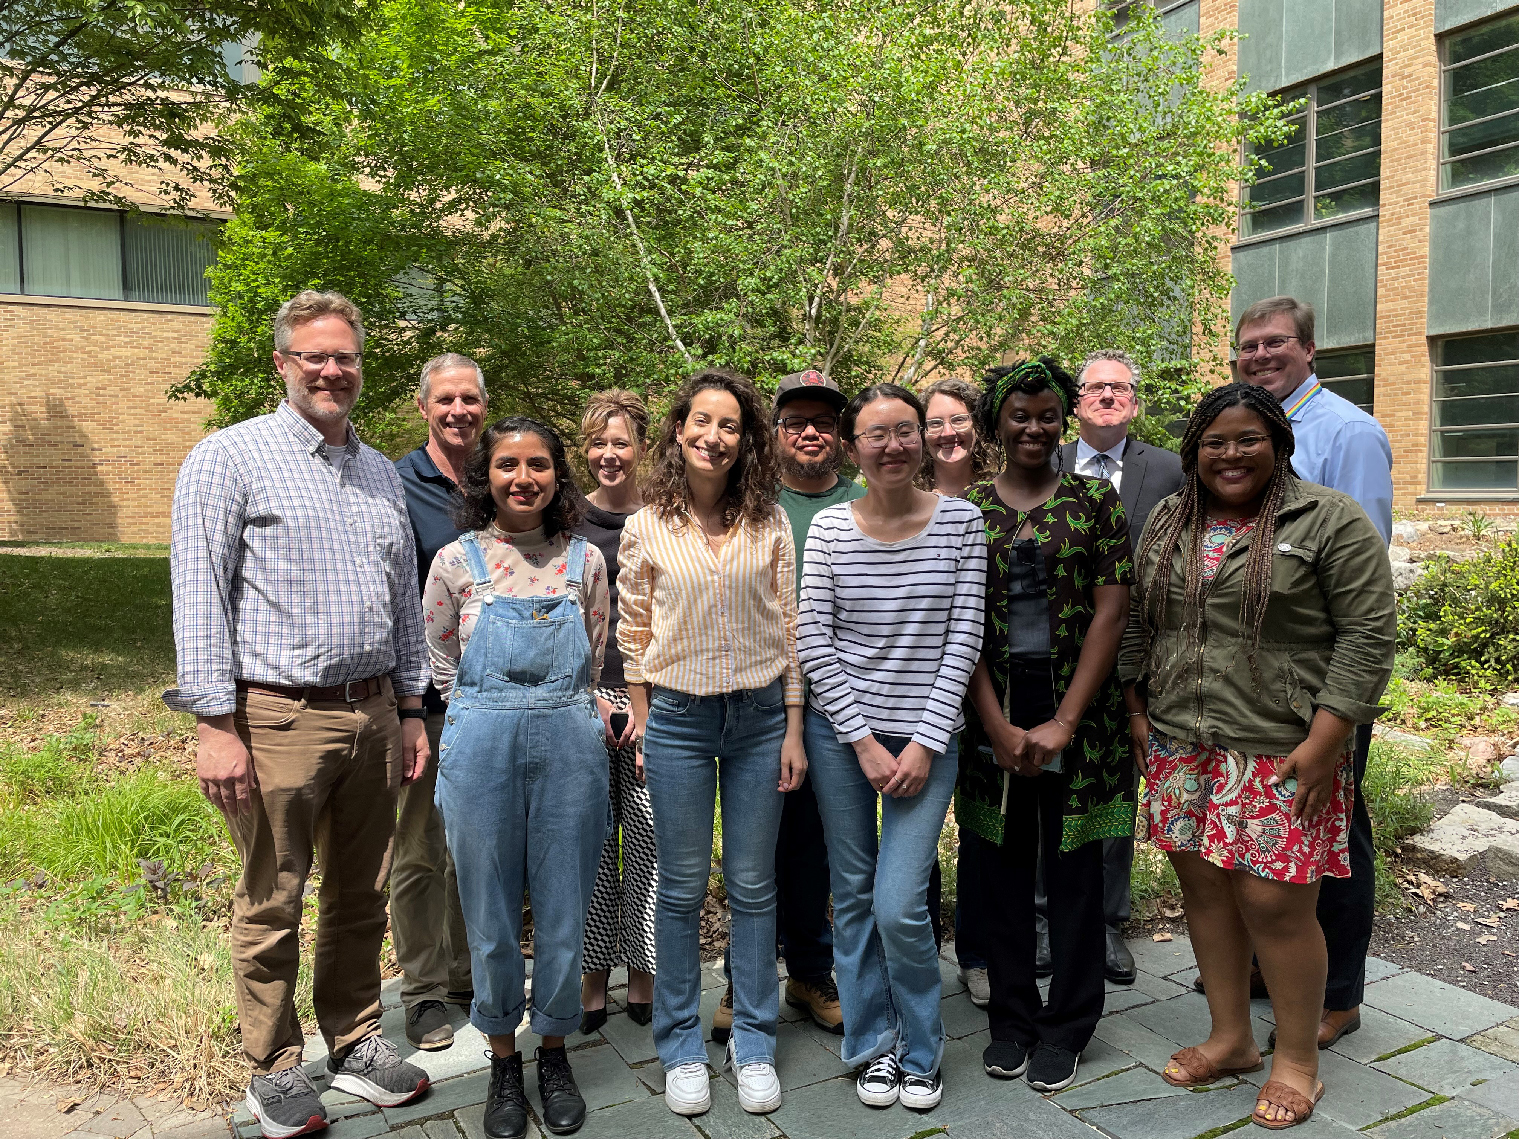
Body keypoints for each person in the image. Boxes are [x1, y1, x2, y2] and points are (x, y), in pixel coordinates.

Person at [167, 290, 432, 1139]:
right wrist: (214, 722)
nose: (331, 370)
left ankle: (354, 1039)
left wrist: (412, 707)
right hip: (277, 717)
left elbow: (402, 606)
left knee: (363, 889)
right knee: (272, 895)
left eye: (345, 357)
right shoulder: (228, 458)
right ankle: (274, 1066)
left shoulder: (378, 470)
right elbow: (198, 594)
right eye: (313, 356)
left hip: (374, 715)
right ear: (281, 362)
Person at [1120, 382, 1395, 1129]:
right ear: (1192, 451)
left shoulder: (1326, 519)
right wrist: (1138, 708)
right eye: (1214, 441)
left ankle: (1297, 1059)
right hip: (1181, 739)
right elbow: (1140, 619)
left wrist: (1324, 740)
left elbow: (1369, 637)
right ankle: (1231, 1036)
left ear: (1278, 442)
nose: (1230, 453)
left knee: (1275, 901)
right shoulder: (1170, 520)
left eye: (1247, 439)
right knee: (1204, 889)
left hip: (1279, 744)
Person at [617, 368, 807, 1118]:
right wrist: (641, 717)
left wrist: (793, 724)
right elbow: (632, 628)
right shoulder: (645, 524)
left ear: (745, 439)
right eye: (702, 420)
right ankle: (681, 1048)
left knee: (756, 887)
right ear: (678, 429)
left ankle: (753, 1041)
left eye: (729, 425)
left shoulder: (769, 521)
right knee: (682, 887)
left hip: (761, 717)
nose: (714, 436)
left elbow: (790, 628)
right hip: (680, 722)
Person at [796, 383, 986, 1111]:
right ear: (853, 447)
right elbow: (814, 635)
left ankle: (921, 1045)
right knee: (851, 897)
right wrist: (864, 741)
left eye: (905, 430)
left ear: (922, 438)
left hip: (928, 740)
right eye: (875, 434)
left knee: (899, 902)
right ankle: (871, 1045)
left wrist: (924, 741)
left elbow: (963, 635)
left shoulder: (962, 522)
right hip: (844, 736)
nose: (893, 444)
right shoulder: (832, 529)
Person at [424, 417, 611, 1139]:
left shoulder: (584, 561)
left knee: (564, 911)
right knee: (490, 915)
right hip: (480, 743)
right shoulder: (455, 560)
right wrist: (484, 710)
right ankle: (503, 1058)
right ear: (487, 475)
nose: (523, 477)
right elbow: (441, 655)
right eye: (507, 464)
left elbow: (595, 650)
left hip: (569, 739)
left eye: (537, 464)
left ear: (557, 476)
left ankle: (554, 1049)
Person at [960, 357, 1135, 1095]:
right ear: (996, 422)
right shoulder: (965, 510)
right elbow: (956, 622)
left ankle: (1067, 1025)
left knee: (1073, 876)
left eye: (1045, 415)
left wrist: (1063, 720)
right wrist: (998, 725)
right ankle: (1011, 1018)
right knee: (997, 873)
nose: (1033, 427)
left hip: (1080, 727)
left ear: (1064, 420)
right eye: (1019, 415)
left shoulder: (1095, 502)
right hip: (988, 724)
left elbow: (1111, 609)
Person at [1233, 297, 1394, 1050]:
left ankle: (1337, 994)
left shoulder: (1349, 433)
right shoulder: (1244, 432)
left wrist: (1335, 712)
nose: (1259, 356)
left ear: (1308, 348)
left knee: (1331, 834)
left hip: (1322, 688)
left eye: (1274, 344)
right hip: (1252, 689)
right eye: (1247, 347)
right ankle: (1271, 966)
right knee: (1265, 832)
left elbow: (1362, 590)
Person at [718, 367, 858, 1043]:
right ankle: (740, 980)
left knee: (811, 850)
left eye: (823, 422)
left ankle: (808, 970)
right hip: (753, 701)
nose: (810, 432)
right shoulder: (748, 504)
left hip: (836, 710)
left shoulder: (864, 503)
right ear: (773, 433)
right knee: (750, 848)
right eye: (796, 421)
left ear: (840, 434)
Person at [1044, 350, 1185, 987]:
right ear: (1075, 403)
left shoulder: (1170, 470)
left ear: (1135, 400)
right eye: (1095, 387)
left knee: (1114, 794)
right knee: (1049, 788)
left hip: (1135, 661)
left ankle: (1106, 923)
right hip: (1050, 658)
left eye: (1119, 388)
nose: (1108, 396)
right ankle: (1046, 917)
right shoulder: (1042, 461)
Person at [392, 353, 487, 1051]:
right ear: (423, 407)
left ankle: (468, 973)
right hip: (424, 702)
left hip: (492, 699)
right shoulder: (399, 483)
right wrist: (401, 703)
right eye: (445, 399)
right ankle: (423, 992)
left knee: (475, 847)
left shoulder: (502, 477)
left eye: (470, 398)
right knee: (419, 849)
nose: (458, 410)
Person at [575, 389, 657, 1034]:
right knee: (593, 845)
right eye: (599, 442)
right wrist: (588, 696)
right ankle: (593, 977)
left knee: (653, 843)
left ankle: (646, 977)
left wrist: (644, 703)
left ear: (642, 449)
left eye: (621, 442)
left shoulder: (662, 519)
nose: (609, 454)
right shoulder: (567, 519)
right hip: (583, 704)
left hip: (655, 703)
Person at [914, 376, 997, 1007]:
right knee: (914, 834)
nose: (947, 433)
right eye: (934, 422)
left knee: (982, 826)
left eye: (958, 420)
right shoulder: (896, 501)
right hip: (917, 695)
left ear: (979, 426)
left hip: (994, 691)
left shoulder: (1000, 502)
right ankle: (916, 952)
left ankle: (976, 952)